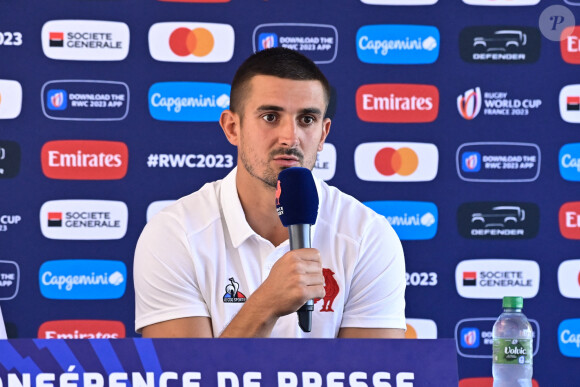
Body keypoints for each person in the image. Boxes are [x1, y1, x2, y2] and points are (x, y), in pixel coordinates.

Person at [134, 47, 406, 338]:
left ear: (323, 133)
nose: (290, 138)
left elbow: (374, 375)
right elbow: (183, 377)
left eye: (306, 120)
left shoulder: (367, 235)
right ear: (232, 127)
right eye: (270, 117)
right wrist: (265, 305)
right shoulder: (175, 233)